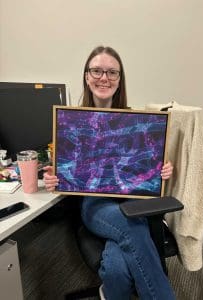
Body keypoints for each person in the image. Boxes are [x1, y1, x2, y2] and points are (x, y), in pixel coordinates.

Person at [43, 46, 175, 300]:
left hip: (130, 199)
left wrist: (161, 169)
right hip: (95, 204)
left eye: (112, 72)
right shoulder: (70, 122)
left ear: (119, 79)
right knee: (133, 227)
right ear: (86, 76)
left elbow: (145, 170)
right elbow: (66, 173)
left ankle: (109, 292)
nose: (104, 78)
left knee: (117, 270)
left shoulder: (137, 122)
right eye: (97, 70)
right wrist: (55, 178)